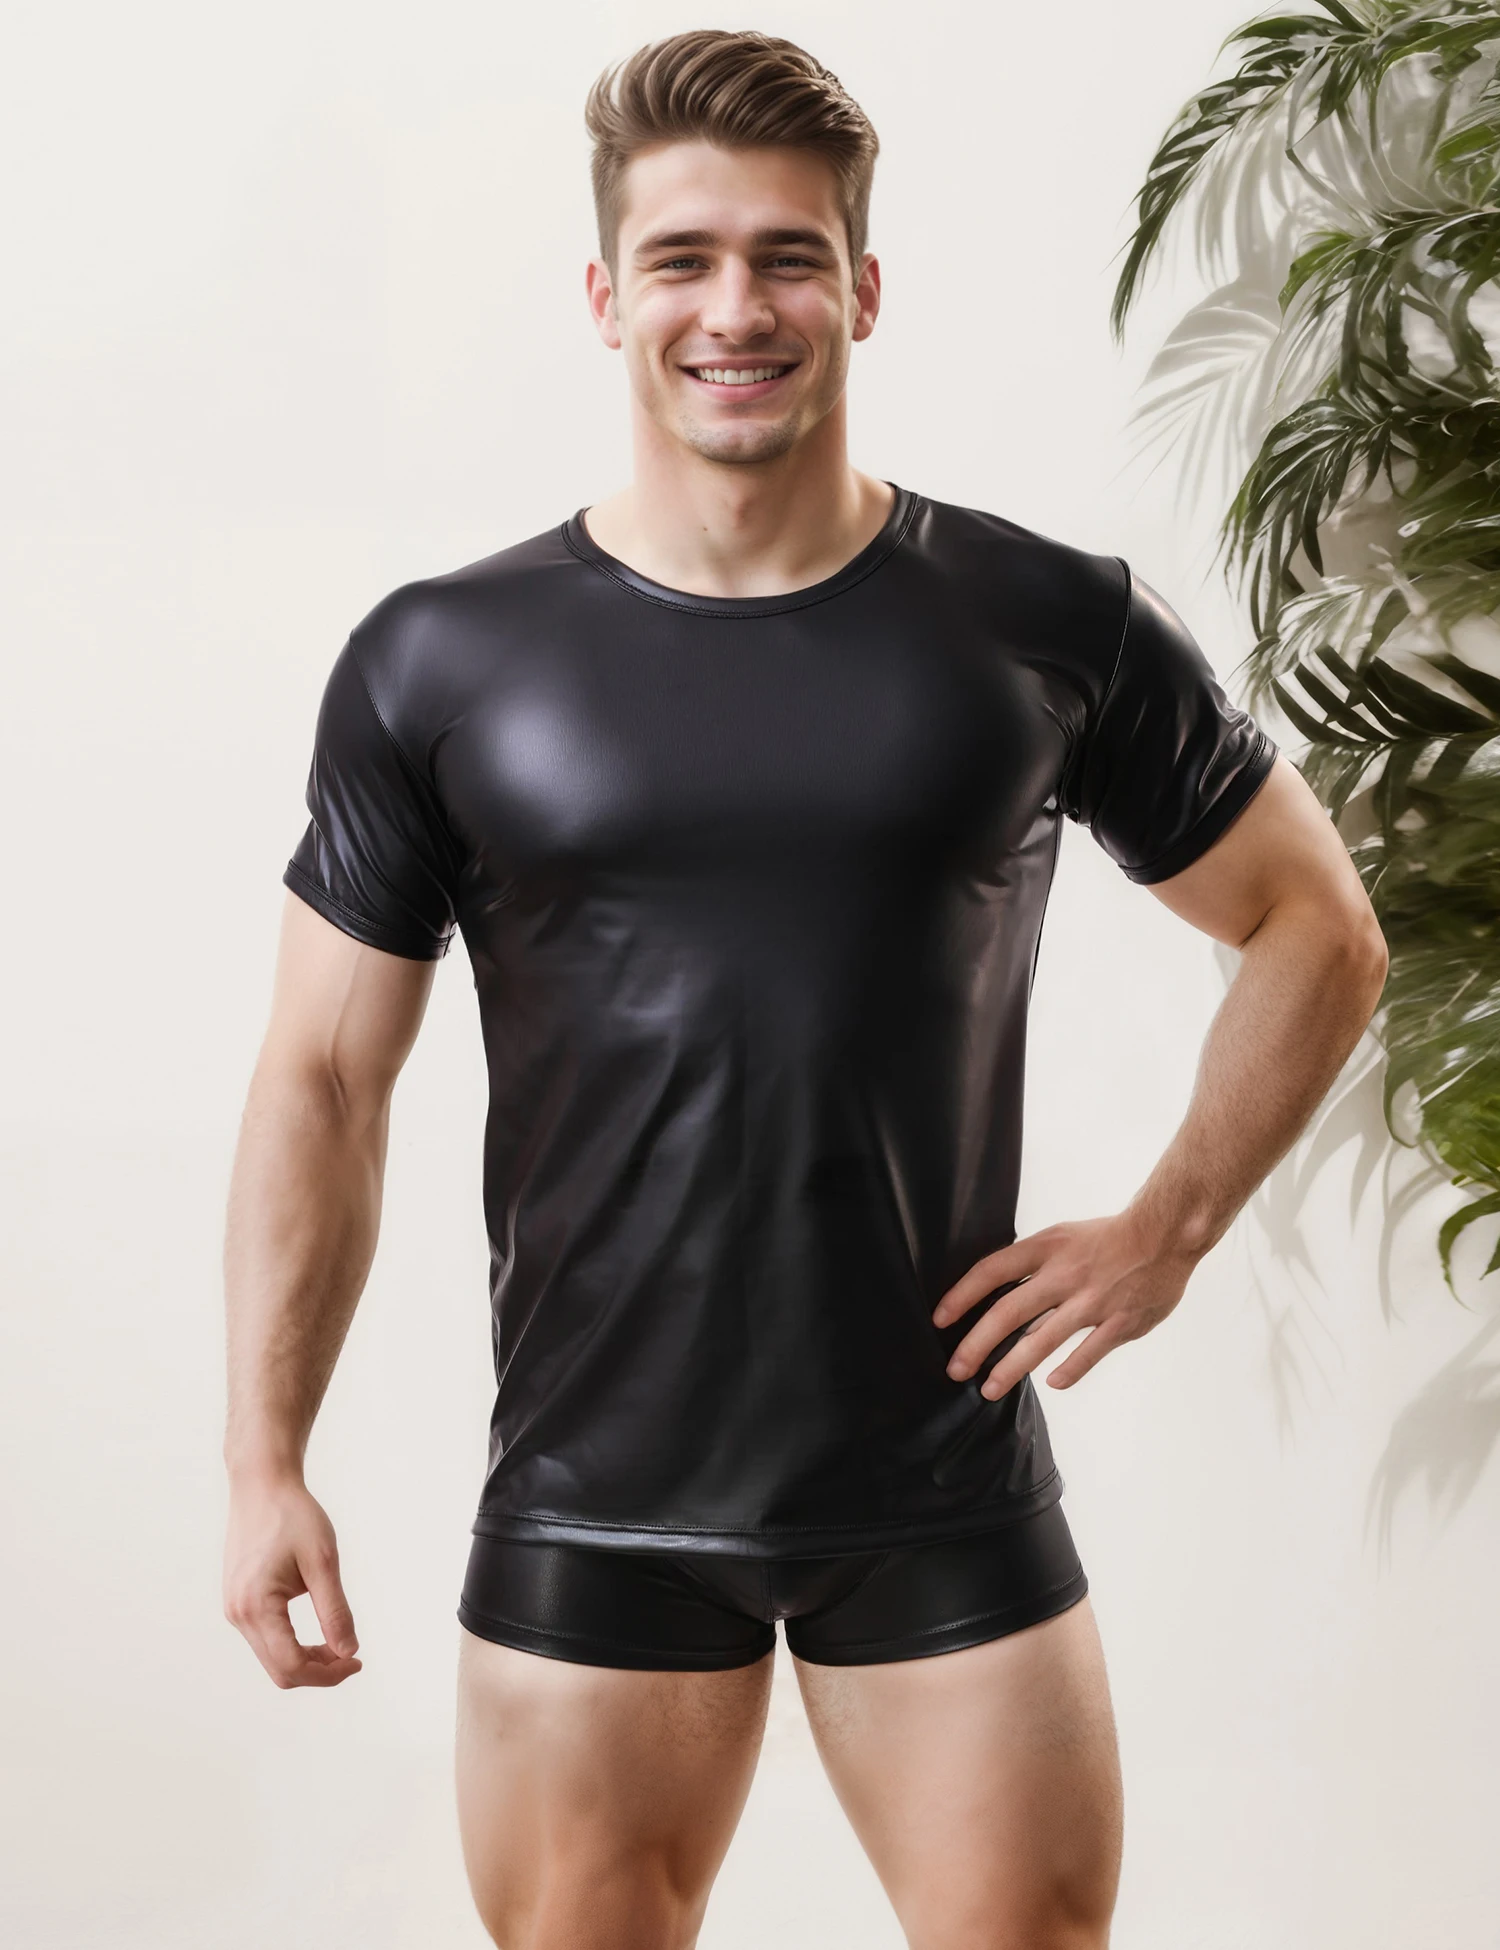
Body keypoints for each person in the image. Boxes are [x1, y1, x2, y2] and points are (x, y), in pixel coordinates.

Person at [221, 27, 1389, 1950]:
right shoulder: (442, 662)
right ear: (606, 296)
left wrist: (1171, 1224)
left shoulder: (1043, 623)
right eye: (681, 259)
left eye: (786, 256)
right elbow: (325, 1082)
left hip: (940, 1483)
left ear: (864, 285)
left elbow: (1317, 924)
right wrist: (266, 1458)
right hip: (597, 1499)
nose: (735, 307)